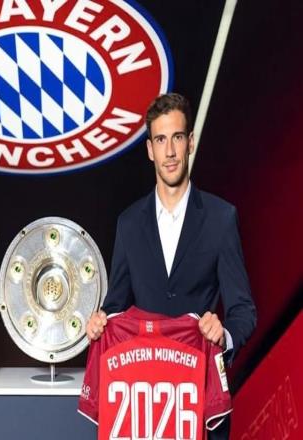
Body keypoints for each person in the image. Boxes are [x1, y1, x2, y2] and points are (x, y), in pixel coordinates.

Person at [86, 93, 256, 439]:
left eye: (177, 138)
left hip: (200, 402)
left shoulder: (221, 219)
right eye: (161, 140)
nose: (170, 151)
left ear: (190, 142)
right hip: (143, 409)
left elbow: (244, 310)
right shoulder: (129, 223)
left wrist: (222, 335)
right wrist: (100, 324)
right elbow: (116, 307)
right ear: (150, 150)